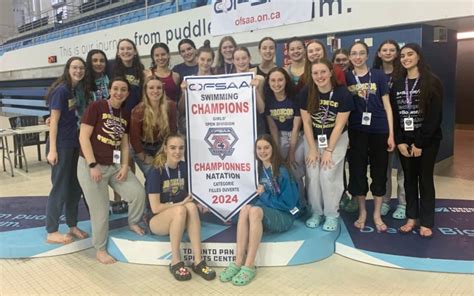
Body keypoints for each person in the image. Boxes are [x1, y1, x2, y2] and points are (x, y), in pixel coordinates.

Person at [77, 76, 145, 264]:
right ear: (110, 89)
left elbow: (123, 144)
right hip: (90, 165)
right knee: (100, 211)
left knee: (138, 192)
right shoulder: (96, 107)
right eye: (116, 88)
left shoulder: (124, 115)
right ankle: (99, 249)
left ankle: (133, 221)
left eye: (123, 89)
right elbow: (83, 138)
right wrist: (92, 165)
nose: (119, 92)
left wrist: (124, 166)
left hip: (113, 165)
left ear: (127, 93)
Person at [219, 134, 300, 286]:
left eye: (266, 147)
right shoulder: (258, 169)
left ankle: (249, 265)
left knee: (255, 211)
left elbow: (289, 204)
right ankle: (237, 262)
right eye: (259, 148)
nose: (262, 151)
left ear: (273, 149)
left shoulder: (282, 171)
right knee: (245, 209)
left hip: (285, 215)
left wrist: (265, 195)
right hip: (267, 211)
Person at [145, 133, 216, 281]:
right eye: (173, 148)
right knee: (182, 208)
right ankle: (175, 261)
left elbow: (193, 193)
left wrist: (200, 204)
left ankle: (198, 260)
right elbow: (155, 208)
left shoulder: (184, 167)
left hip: (180, 217)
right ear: (165, 149)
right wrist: (180, 204)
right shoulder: (156, 171)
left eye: (181, 148)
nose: (177, 151)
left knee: (191, 207)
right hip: (157, 221)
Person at [391, 43, 443, 238]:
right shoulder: (397, 83)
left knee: (425, 180)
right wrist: (400, 141)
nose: (405, 58)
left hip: (427, 142)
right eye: (402, 56)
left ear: (419, 57)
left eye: (409, 54)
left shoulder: (432, 81)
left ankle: (427, 221)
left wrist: (420, 143)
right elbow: (396, 116)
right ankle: (411, 217)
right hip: (405, 141)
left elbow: (434, 116)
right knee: (409, 180)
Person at [346, 41, 395, 232]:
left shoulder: (379, 75)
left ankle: (375, 213)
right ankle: (362, 212)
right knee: (357, 173)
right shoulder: (347, 78)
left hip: (379, 130)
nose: (357, 57)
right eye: (354, 54)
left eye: (361, 53)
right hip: (356, 132)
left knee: (379, 172)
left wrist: (391, 134)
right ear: (350, 57)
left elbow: (387, 106)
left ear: (367, 56)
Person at [300, 59, 354, 231]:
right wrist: (313, 150)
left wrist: (329, 150)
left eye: (323, 72)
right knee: (313, 175)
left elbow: (340, 125)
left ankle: (332, 214)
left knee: (327, 174)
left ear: (331, 72)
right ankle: (316, 212)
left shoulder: (342, 93)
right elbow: (306, 123)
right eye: (315, 73)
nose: (319, 76)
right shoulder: (307, 92)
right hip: (313, 139)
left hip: (336, 139)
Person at [45, 56, 90, 244]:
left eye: (81, 68)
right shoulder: (62, 90)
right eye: (74, 67)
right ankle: (52, 230)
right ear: (68, 69)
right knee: (60, 188)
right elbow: (53, 121)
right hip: (61, 146)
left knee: (74, 187)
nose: (78, 71)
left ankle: (72, 224)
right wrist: (52, 150)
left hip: (74, 145)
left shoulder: (74, 90)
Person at [373, 40, 406, 219]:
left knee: (403, 168)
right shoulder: (374, 74)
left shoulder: (404, 74)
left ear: (397, 53)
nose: (387, 53)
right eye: (384, 50)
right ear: (378, 53)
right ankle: (385, 201)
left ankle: (403, 203)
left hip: (402, 126)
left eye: (392, 50)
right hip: (381, 126)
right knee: (382, 168)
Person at [264, 67, 305, 203]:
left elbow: (296, 126)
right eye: (273, 80)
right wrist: (276, 151)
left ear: (286, 81)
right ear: (268, 83)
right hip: (279, 137)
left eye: (280, 80)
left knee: (295, 172)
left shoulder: (295, 98)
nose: (277, 84)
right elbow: (273, 128)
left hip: (296, 137)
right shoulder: (269, 101)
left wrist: (291, 152)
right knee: (281, 172)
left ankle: (301, 204)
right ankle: (285, 203)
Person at [130, 75, 177, 175]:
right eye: (151, 88)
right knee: (153, 175)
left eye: (159, 88)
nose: (155, 91)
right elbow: (134, 138)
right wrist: (143, 156)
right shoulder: (138, 110)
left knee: (167, 174)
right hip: (143, 148)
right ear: (145, 91)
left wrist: (165, 153)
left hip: (162, 146)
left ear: (163, 90)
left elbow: (172, 132)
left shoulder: (171, 106)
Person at [178, 42, 215, 135]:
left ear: (213, 61)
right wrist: (184, 93)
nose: (205, 63)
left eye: (209, 60)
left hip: (214, 124)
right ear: (197, 59)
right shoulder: (189, 81)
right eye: (202, 59)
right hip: (195, 126)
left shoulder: (219, 80)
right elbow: (181, 109)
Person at [232, 46, 266, 135]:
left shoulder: (259, 79)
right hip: (237, 125)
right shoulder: (228, 82)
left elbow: (262, 109)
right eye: (237, 59)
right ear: (233, 61)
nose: (241, 62)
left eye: (244, 58)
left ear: (249, 58)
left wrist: (255, 90)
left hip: (256, 124)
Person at [111, 38, 145, 112]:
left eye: (129, 48)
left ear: (135, 51)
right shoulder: (111, 66)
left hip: (135, 112)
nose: (125, 51)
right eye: (122, 49)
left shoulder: (140, 68)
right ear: (118, 52)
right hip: (116, 112)